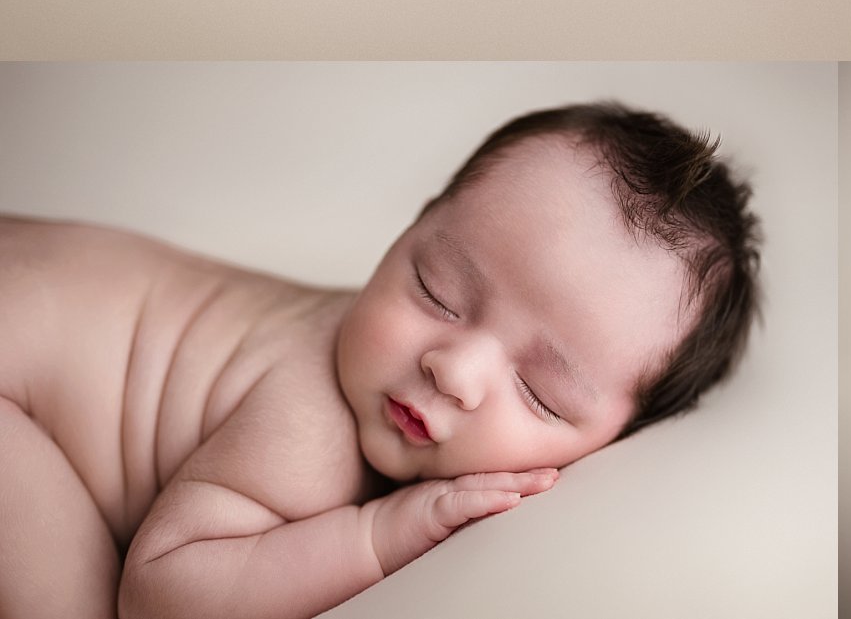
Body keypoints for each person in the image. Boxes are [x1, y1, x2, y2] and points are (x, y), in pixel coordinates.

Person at [0, 102, 759, 619]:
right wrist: (378, 537)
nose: (454, 370)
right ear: (412, 227)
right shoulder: (309, 421)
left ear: (619, 438)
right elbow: (160, 590)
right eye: (437, 290)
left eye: (541, 392)